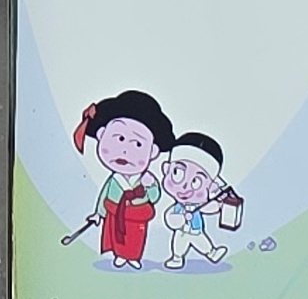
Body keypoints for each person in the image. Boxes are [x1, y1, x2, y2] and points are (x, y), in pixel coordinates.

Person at [63, 90, 175, 268]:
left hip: (138, 215)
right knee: (116, 237)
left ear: (153, 151)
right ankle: (120, 255)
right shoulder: (114, 181)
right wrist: (98, 214)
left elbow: (155, 196)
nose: (125, 150)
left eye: (137, 144)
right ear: (101, 135)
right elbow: (104, 196)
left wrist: (148, 189)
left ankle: (134, 257)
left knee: (136, 237)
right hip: (114, 213)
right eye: (120, 138)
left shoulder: (145, 179)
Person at [159, 132, 243, 267]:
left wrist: (219, 205)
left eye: (196, 182)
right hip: (181, 231)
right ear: (166, 169)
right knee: (179, 244)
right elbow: (170, 219)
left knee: (202, 241)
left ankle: (211, 252)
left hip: (196, 231)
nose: (185, 187)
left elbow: (209, 208)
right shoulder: (178, 207)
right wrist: (180, 219)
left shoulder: (200, 205)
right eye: (177, 173)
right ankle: (177, 258)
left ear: (210, 187)